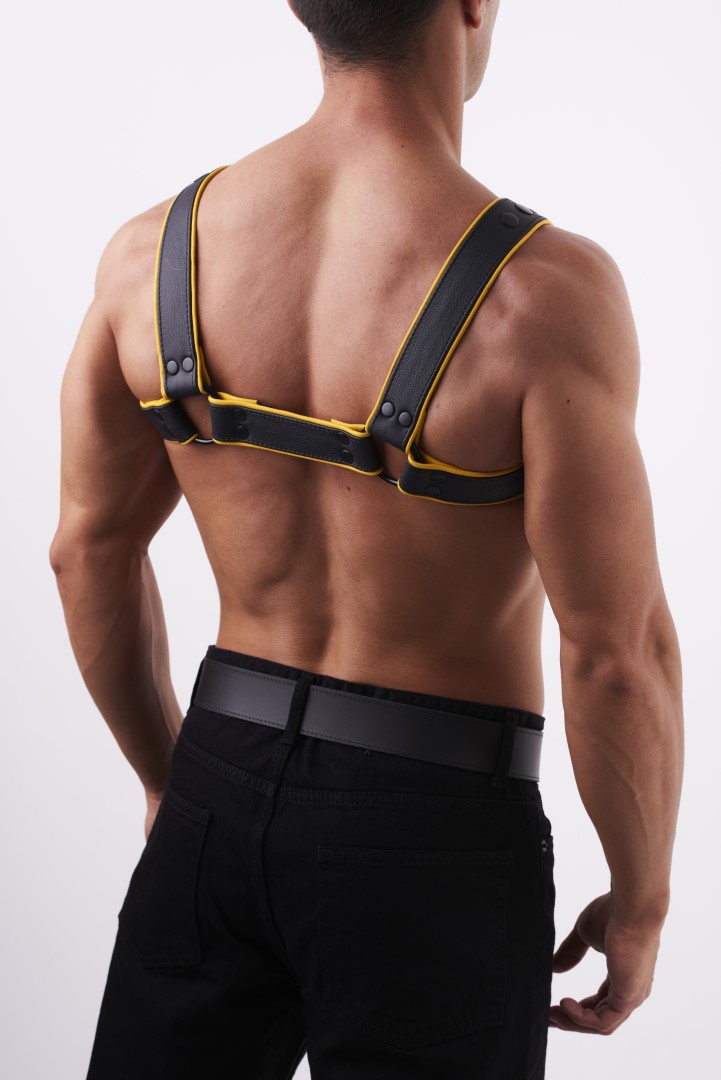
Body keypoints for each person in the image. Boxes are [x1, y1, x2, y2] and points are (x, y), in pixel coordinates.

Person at [49, 1, 684, 1077]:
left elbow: (85, 552)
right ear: (470, 5)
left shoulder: (148, 257)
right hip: (436, 828)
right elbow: (617, 654)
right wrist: (642, 901)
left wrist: (170, 779)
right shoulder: (543, 296)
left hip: (217, 777)